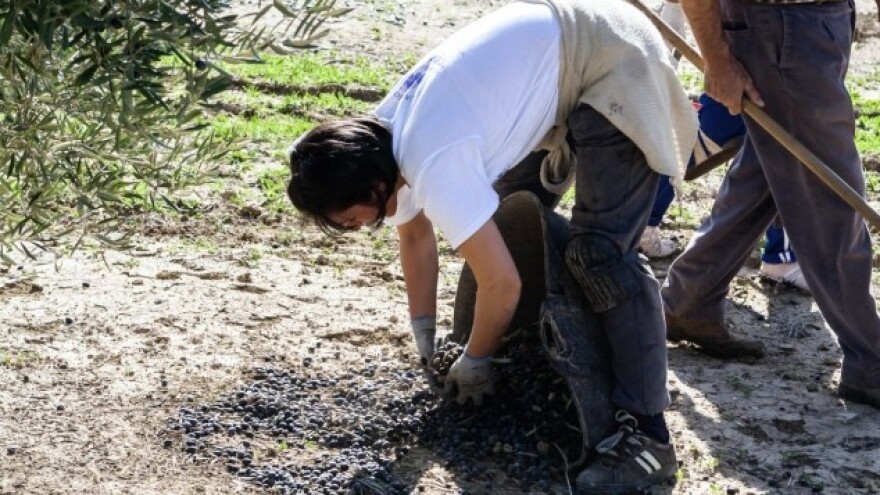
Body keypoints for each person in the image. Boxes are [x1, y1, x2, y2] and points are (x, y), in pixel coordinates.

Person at [286, 0, 697, 490]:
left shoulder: (433, 159)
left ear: (373, 188)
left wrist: (476, 360)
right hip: (561, 57)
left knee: (600, 257)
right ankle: (518, 346)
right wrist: (425, 338)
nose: (354, 228)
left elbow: (502, 284)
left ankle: (648, 438)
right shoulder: (379, 138)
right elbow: (415, 236)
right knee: (501, 222)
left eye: (349, 219)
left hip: (612, 56)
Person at [663, 0, 880, 409]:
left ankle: (689, 298)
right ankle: (871, 358)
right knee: (829, 195)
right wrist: (718, 60)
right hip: (780, 26)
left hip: (816, 23)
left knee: (768, 168)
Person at [641, 92, 810, 292]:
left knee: (778, 141)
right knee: (697, 142)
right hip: (761, 83)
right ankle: (642, 221)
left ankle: (780, 256)